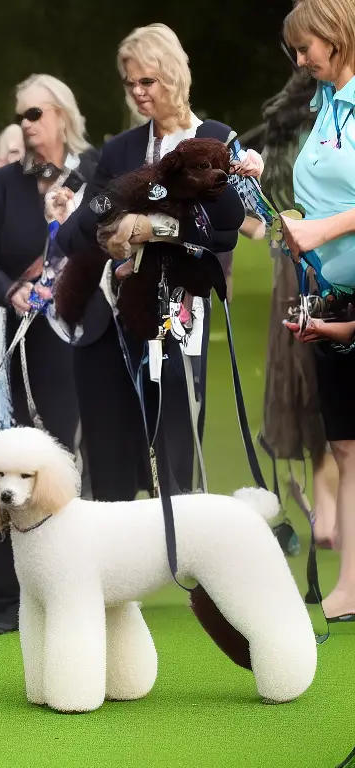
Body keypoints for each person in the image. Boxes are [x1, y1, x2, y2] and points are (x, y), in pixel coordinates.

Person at [56, 23, 259, 503]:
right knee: (107, 463)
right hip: (112, 314)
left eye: (147, 81)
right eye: (130, 83)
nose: (137, 92)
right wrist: (103, 224)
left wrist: (155, 229)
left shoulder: (212, 141)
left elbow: (223, 230)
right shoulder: (122, 148)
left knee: (175, 455)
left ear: (173, 75)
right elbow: (93, 216)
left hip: (179, 312)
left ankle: (185, 560)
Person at [0, 74, 99, 634]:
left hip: (76, 333)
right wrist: (13, 290)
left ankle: (67, 584)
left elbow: (110, 245)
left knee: (60, 458)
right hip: (19, 332)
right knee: (9, 456)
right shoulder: (0, 185)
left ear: (60, 116)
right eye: (20, 116)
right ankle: (8, 596)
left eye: (34, 115)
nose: (25, 125)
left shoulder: (95, 174)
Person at [281, 0, 355, 623]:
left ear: (335, 35)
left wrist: (322, 227)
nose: (300, 59)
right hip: (338, 292)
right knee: (348, 447)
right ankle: (351, 587)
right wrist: (301, 225)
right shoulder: (326, 104)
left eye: (305, 46)